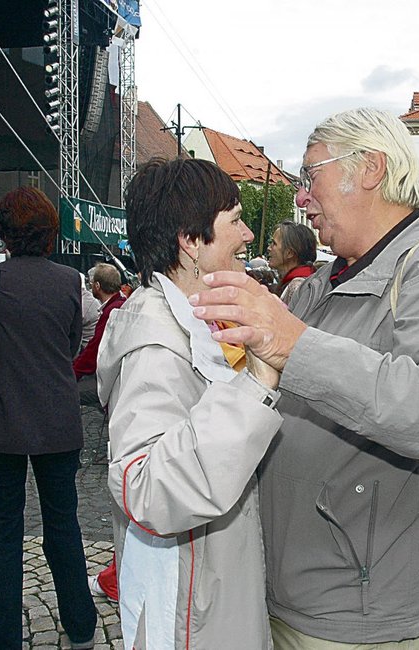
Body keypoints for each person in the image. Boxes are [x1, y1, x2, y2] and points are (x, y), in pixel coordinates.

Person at [192, 108, 419, 647]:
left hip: (354, 607)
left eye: (311, 176)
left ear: (370, 169)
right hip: (292, 585)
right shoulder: (318, 284)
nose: (300, 197)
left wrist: (295, 345)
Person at [97, 158, 283, 649]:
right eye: (236, 220)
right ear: (190, 241)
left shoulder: (197, 322)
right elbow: (145, 488)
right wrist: (259, 379)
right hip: (189, 606)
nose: (247, 235)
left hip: (212, 583)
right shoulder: (155, 344)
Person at [0, 187, 97, 650]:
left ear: (2, 232)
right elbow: (72, 343)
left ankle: (3, 636)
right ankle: (82, 626)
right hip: (57, 419)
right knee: (64, 524)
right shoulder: (69, 281)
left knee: (5, 534)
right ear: (49, 232)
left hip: (0, 424)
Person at [73, 263, 125, 407]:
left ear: (97, 285)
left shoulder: (111, 311)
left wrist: (73, 374)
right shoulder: (121, 304)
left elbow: (95, 348)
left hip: (111, 378)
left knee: (70, 393)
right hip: (115, 374)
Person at [267, 220, 318, 305]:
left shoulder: (297, 287)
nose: (269, 248)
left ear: (289, 253)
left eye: (274, 244)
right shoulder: (303, 281)